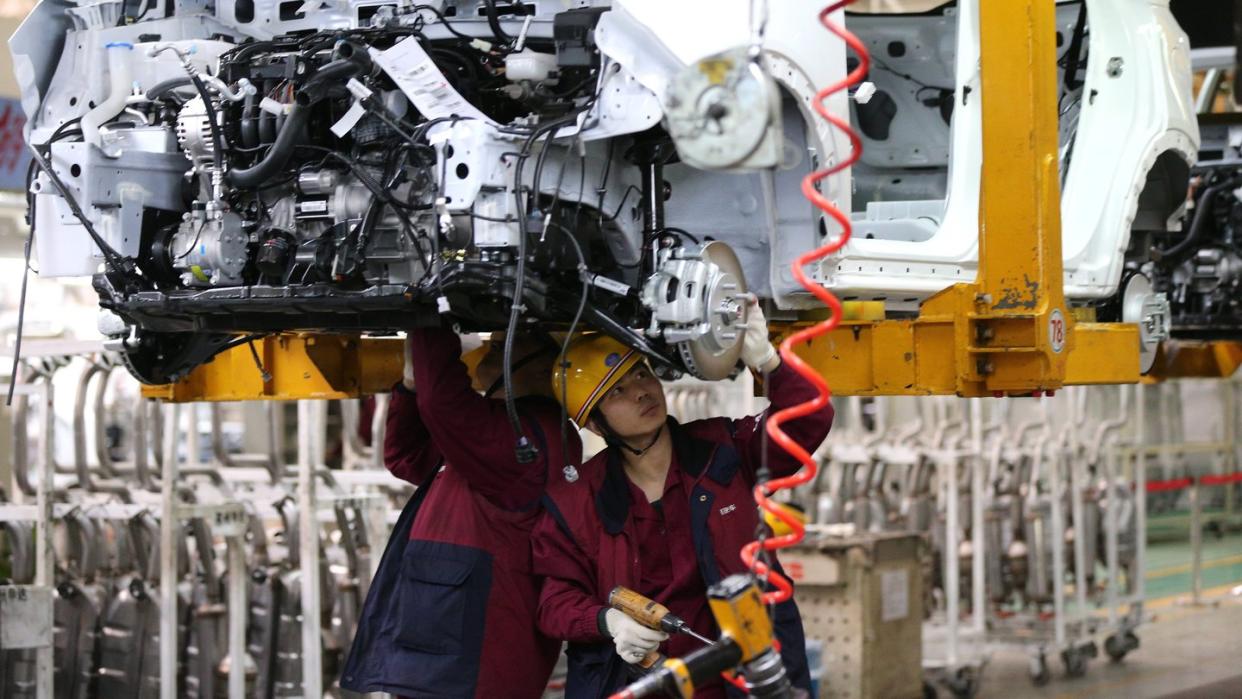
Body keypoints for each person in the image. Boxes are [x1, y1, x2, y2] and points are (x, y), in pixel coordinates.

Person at [532, 302, 834, 698]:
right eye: (617, 391)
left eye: (641, 374)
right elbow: (555, 602)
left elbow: (808, 420)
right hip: (636, 684)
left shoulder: (724, 451)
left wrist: (767, 361)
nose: (641, 392)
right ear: (593, 421)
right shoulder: (575, 501)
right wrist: (608, 622)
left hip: (743, 678)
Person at [342, 326, 582, 698]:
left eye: (507, 344)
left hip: (472, 666)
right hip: (445, 658)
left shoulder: (529, 437)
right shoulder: (498, 432)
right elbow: (408, 457)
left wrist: (430, 321)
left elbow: (442, 403)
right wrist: (411, 383)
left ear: (546, 370)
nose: (490, 348)